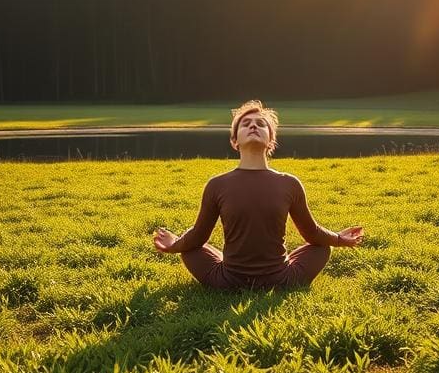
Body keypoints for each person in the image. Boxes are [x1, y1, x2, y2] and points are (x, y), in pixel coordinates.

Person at [152, 100, 364, 289]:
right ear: (234, 141)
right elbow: (199, 234)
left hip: (275, 278)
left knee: (321, 248)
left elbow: (312, 232)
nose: (253, 126)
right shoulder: (217, 185)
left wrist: (338, 239)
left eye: (261, 124)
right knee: (191, 248)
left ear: (271, 141)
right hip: (232, 279)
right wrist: (175, 244)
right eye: (245, 124)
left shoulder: (289, 184)